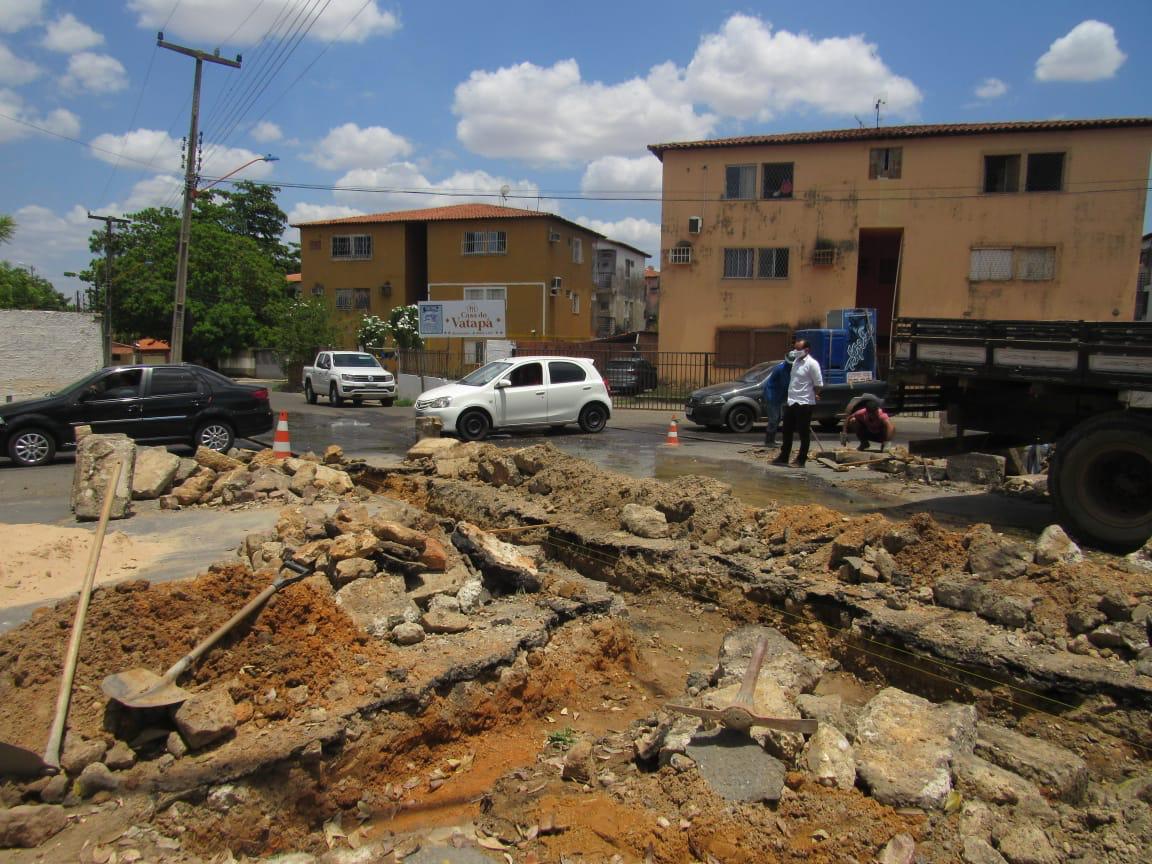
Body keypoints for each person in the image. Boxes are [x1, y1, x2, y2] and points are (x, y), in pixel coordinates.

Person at [773, 339, 823, 468]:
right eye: (795, 349)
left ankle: (801, 460)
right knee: (786, 430)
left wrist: (814, 394)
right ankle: (784, 456)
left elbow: (818, 384)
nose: (796, 352)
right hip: (792, 401)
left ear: (807, 350)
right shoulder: (796, 362)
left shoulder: (812, 364)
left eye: (798, 349)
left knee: (803, 432)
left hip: (804, 402)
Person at [761, 350, 797, 446]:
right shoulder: (781, 369)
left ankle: (772, 439)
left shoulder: (790, 369)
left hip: (779, 396)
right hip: (772, 395)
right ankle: (768, 441)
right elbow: (786, 384)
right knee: (774, 418)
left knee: (778, 418)